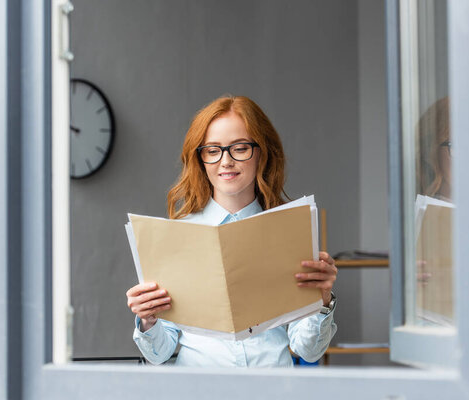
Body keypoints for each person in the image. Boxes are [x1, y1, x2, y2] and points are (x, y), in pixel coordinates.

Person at [126, 95, 338, 367]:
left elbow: (308, 351)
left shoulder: (287, 232)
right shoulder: (177, 236)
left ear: (261, 152)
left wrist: (322, 302)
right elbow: (159, 353)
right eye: (213, 150)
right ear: (200, 158)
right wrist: (148, 319)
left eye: (239, 148)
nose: (225, 161)